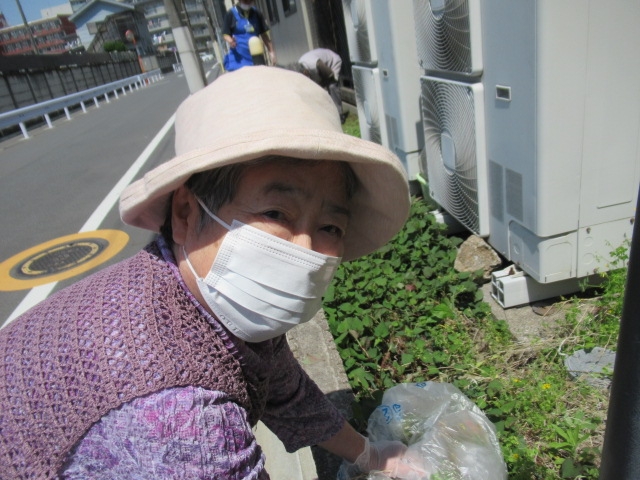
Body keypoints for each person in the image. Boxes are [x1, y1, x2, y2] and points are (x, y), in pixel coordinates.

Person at [0, 66, 423, 479]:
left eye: (330, 227)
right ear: (186, 212)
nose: (305, 249)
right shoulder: (182, 420)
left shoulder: (193, 296)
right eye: (275, 213)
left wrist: (370, 455)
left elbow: (283, 387)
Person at [297, 48, 348, 123]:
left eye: (306, 76)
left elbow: (330, 74)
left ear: (305, 71)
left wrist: (324, 84)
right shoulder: (301, 64)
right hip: (321, 65)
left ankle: (340, 115)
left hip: (333, 61)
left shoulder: (315, 64)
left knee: (332, 87)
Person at [223, 0, 276, 71]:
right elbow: (226, 34)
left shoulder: (257, 13)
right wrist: (230, 41)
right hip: (238, 58)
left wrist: (271, 52)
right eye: (245, 2)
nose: (248, 4)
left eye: (250, 1)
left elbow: (264, 35)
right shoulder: (231, 14)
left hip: (255, 57)